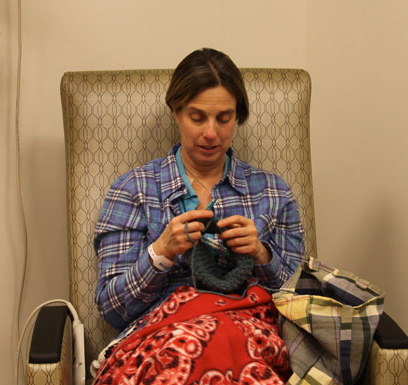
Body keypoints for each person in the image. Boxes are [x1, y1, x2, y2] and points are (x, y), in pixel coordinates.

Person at [92, 48, 305, 384]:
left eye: (224, 118)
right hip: (161, 342)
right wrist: (160, 253)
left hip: (252, 338)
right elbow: (113, 310)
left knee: (225, 339)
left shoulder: (273, 193)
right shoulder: (133, 190)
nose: (211, 133)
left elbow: (301, 305)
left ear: (237, 117)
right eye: (197, 117)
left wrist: (261, 255)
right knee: (207, 344)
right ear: (176, 112)